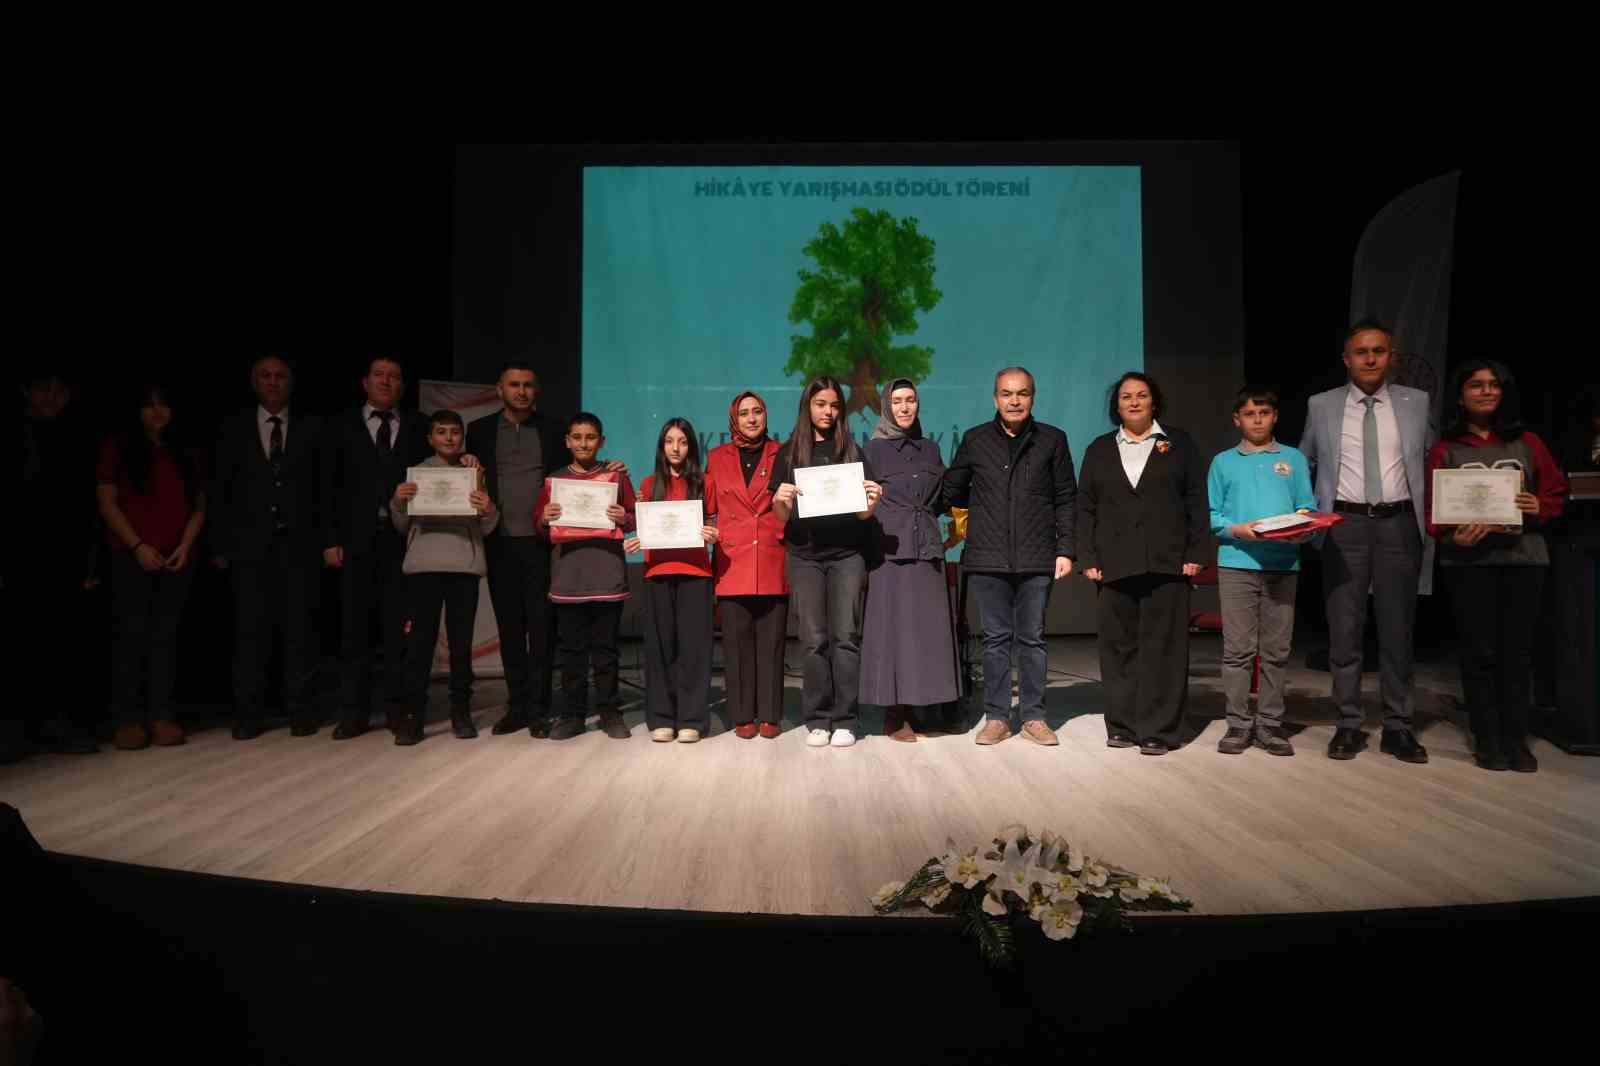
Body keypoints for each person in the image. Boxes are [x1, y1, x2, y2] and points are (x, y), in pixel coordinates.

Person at [1299, 319, 1435, 763]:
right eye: (1362, 352)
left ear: (1391, 357)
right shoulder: (1321, 404)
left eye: (1379, 351)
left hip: (1399, 523)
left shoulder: (1417, 402)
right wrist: (1303, 513)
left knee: (1398, 629)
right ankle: (1349, 723)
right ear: (1347, 359)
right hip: (1344, 524)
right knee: (1344, 629)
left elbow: (1431, 460)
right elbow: (1304, 460)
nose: (1371, 359)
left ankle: (1398, 726)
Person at [1425, 360, 1567, 772]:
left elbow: (1556, 492)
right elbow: (1433, 510)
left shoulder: (1528, 442)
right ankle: (1487, 738)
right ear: (1460, 395)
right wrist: (1450, 535)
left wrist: (1540, 505)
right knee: (1478, 652)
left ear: (1504, 393)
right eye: (1476, 385)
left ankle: (1515, 739)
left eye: (1493, 385)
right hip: (1468, 563)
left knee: (1517, 653)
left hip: (1523, 559)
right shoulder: (1447, 448)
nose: (1486, 391)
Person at [943, 367, 1076, 747]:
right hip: (987, 557)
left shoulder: (1052, 440)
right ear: (995, 398)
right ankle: (997, 717)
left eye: (1021, 394)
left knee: (1032, 638)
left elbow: (1066, 498)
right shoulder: (975, 440)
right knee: (996, 639)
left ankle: (1033, 717)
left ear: (1032, 397)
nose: (1014, 401)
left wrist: (1066, 549)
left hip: (1037, 557)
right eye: (1006, 394)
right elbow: (953, 490)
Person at [1077, 371, 1207, 756]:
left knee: (1163, 650)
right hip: (1114, 565)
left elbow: (1196, 501)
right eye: (1126, 397)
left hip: (1168, 563)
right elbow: (1085, 507)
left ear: (1154, 402)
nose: (1134, 402)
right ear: (1116, 406)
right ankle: (1122, 725)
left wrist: (1196, 553)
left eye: (1141, 395)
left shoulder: (1179, 444)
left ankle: (1159, 730)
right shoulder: (1099, 449)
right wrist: (1088, 558)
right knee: (1118, 650)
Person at [210, 356, 325, 740]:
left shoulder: (311, 427)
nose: (273, 382)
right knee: (249, 633)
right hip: (249, 548)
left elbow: (324, 488)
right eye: (266, 376)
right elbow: (220, 490)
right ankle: (248, 713)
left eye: (280, 376)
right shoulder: (232, 429)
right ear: (253, 381)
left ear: (290, 382)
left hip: (300, 547)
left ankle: (301, 710)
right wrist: (220, 544)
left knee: (300, 632)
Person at [320, 358, 433, 740]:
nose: (387, 381)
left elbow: (439, 468)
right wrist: (330, 539)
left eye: (395, 377)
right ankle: (354, 712)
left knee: (398, 632)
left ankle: (397, 709)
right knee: (354, 631)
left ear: (403, 386)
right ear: (365, 382)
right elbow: (327, 487)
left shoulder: (419, 426)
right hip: (354, 543)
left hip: (404, 541)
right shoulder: (340, 426)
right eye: (380, 375)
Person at [770, 376, 882, 748]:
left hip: (847, 556)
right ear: (808, 406)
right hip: (804, 557)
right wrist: (781, 500)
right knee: (813, 640)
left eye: (834, 405)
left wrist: (871, 505)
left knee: (845, 638)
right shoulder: (789, 453)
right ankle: (818, 718)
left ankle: (846, 719)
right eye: (821, 404)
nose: (828, 412)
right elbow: (781, 517)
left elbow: (863, 516)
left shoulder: (852, 451)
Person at [1206, 386, 1317, 756]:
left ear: (1275, 417)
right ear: (1237, 419)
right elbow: (1212, 516)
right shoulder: (1223, 462)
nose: (1257, 420)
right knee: (1238, 650)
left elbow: (1306, 507)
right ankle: (1238, 724)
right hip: (1237, 564)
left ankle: (1270, 724)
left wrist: (1302, 530)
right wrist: (1239, 530)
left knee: (1276, 650)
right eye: (1250, 414)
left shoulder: (1293, 459)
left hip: (1282, 565)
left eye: (1264, 413)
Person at [95, 384, 206, 750]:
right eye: (149, 405)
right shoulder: (117, 448)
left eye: (163, 405)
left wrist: (186, 545)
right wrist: (137, 546)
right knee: (130, 636)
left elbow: (199, 506)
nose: (157, 412)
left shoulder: (185, 450)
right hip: (131, 554)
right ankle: (128, 718)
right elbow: (107, 502)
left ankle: (162, 715)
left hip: (176, 555)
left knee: (165, 638)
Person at [465, 362, 569, 739]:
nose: (521, 391)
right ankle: (518, 706)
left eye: (527, 385)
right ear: (500, 390)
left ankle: (540, 709)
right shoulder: (478, 432)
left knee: (542, 630)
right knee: (510, 629)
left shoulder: (554, 430)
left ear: (536, 391)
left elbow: (573, 474)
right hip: (499, 541)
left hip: (541, 543)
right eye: (514, 385)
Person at [5, 369, 98, 761]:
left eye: (59, 391)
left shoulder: (75, 438)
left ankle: (58, 723)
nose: (51, 398)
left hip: (64, 556)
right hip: (17, 556)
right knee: (18, 642)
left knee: (62, 642)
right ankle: (17, 728)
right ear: (25, 390)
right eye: (43, 389)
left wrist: (90, 561)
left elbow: (87, 505)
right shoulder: (13, 435)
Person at [860, 378, 961, 740]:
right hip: (890, 551)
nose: (904, 407)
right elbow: (861, 505)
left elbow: (943, 498)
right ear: (886, 407)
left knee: (930, 633)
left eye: (911, 400)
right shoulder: (871, 451)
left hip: (927, 548)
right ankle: (895, 714)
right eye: (897, 401)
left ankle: (929, 710)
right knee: (894, 633)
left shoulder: (931, 449)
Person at [391, 409, 499, 745]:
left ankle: (460, 711)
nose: (449, 438)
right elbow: (401, 525)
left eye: (454, 432)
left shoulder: (474, 472)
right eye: (441, 431)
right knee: (419, 645)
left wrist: (488, 508)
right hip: (423, 567)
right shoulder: (416, 474)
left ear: (462, 437)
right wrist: (398, 501)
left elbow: (487, 527)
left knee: (461, 645)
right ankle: (413, 715)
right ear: (430, 438)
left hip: (463, 567)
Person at [536, 412, 637, 740]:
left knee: (606, 652)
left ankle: (610, 713)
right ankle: (573, 715)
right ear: (567, 441)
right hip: (569, 580)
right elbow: (540, 526)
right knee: (572, 653)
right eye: (577, 437)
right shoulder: (554, 481)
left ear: (601, 441)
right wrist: (544, 517)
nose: (583, 443)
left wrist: (625, 517)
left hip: (607, 577)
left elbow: (635, 518)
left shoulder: (616, 477)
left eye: (590, 437)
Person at [625, 418, 719, 743]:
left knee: (694, 649)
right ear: (661, 447)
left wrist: (712, 533)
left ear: (691, 446)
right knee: (660, 647)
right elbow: (647, 527)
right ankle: (662, 717)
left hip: (696, 573)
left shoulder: (705, 483)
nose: (675, 448)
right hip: (657, 573)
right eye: (669, 441)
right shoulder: (649, 484)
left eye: (682, 441)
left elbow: (713, 523)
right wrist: (638, 540)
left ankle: (692, 718)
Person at [705, 391, 789, 739]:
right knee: (736, 645)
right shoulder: (716, 457)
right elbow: (709, 507)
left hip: (771, 555)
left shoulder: (783, 453)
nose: (751, 418)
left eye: (757, 412)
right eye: (744, 413)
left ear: (765, 416)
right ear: (734, 420)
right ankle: (742, 715)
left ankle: (769, 715)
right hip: (732, 560)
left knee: (772, 644)